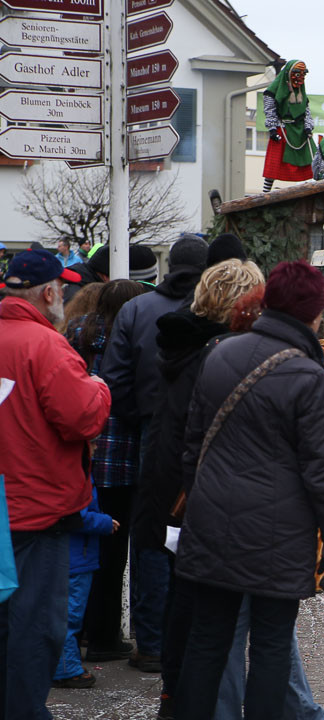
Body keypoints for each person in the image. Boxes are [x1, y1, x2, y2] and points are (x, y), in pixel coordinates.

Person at [173, 261, 324, 720]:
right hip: (278, 533)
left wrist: (202, 497)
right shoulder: (307, 373)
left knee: (208, 639)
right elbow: (323, 468)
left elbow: (192, 445)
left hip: (212, 520)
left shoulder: (221, 352)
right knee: (271, 643)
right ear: (314, 313)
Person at [142, 259, 265, 717]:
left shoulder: (183, 344)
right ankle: (192, 703)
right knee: (207, 616)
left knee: (184, 604)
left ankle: (174, 697)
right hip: (201, 494)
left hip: (170, 485)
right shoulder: (222, 352)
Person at [0, 249, 111, 719]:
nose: (64, 296)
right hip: (36, 513)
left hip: (10, 506)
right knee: (33, 631)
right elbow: (81, 417)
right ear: (48, 293)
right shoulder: (44, 345)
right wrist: (100, 385)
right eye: (61, 289)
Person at [98, 234, 208, 672]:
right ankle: (190, 637)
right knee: (198, 530)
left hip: (151, 430)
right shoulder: (212, 311)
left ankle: (152, 641)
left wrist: (138, 416)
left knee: (151, 532)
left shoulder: (136, 309)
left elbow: (113, 377)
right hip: (205, 433)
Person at [66, 280, 148, 666]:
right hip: (123, 455)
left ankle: (74, 633)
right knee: (114, 554)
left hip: (80, 453)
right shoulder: (132, 338)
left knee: (78, 547)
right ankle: (104, 635)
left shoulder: (75, 333)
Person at [52, 487, 116, 689]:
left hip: (72, 555)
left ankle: (64, 665)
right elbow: (74, 514)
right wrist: (104, 522)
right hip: (78, 557)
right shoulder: (76, 473)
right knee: (70, 616)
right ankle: (65, 669)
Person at [262, 59, 313, 193]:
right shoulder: (272, 92)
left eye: (303, 74)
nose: (300, 78)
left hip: (300, 130)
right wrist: (272, 129)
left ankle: (315, 187)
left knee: (312, 159)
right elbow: (270, 111)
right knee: (274, 163)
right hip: (282, 129)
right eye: (297, 74)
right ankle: (265, 192)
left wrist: (308, 127)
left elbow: (307, 112)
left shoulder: (302, 93)